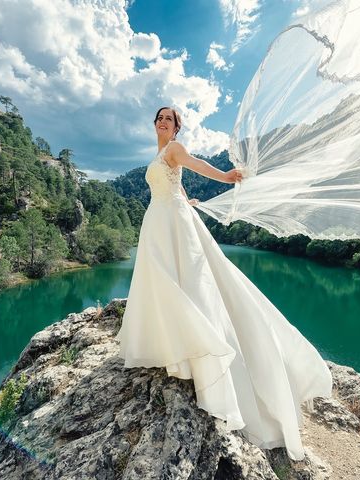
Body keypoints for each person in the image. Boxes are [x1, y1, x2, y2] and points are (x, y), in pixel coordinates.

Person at [115, 106, 332, 461]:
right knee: (164, 281)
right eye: (159, 118)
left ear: (176, 127)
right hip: (161, 217)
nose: (162, 122)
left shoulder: (174, 148)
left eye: (169, 119)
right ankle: (170, 340)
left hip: (170, 221)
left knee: (183, 282)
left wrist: (227, 177)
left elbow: (196, 166)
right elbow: (177, 183)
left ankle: (195, 351)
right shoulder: (160, 154)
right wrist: (188, 199)